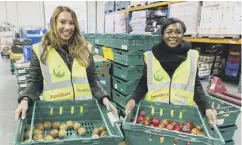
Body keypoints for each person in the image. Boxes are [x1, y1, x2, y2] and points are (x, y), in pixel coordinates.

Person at [15, 6, 116, 120]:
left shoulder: (84, 49)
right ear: (53, 23)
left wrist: (104, 97)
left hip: (83, 113)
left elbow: (92, 79)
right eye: (62, 22)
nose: (67, 27)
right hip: (56, 115)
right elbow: (34, 82)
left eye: (71, 23)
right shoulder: (41, 51)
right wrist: (25, 99)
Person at [125, 18, 217, 124]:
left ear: (183, 34)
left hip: (182, 115)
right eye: (169, 32)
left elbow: (195, 85)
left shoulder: (191, 56)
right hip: (155, 114)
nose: (173, 35)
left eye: (178, 32)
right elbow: (144, 83)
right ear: (163, 34)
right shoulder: (151, 56)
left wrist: (207, 107)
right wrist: (133, 99)